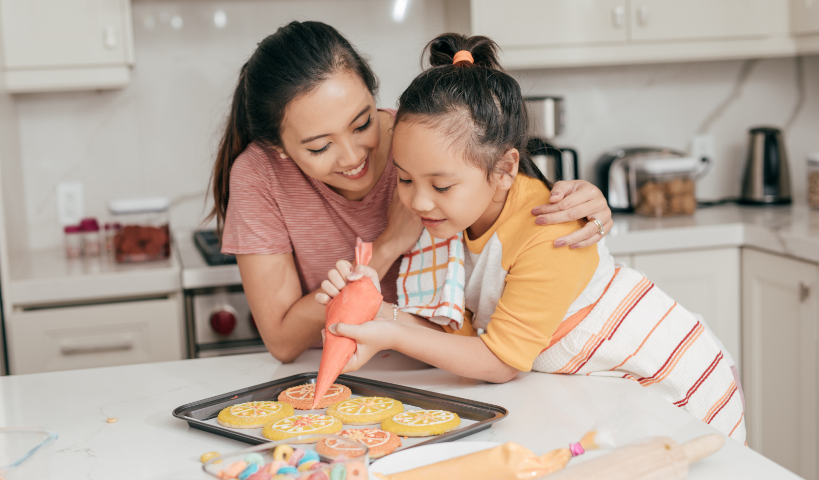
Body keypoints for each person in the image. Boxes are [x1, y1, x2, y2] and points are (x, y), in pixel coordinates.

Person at [317, 33, 746, 443]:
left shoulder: (550, 229)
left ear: (504, 170)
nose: (418, 201)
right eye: (406, 179)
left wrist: (389, 329)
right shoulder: (452, 221)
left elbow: (499, 362)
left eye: (441, 186)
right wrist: (375, 308)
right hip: (606, 391)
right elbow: (466, 346)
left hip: (675, 386)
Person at [210, 21, 614, 363]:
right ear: (278, 147)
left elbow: (508, 203)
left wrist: (583, 205)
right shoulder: (258, 176)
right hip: (352, 371)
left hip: (453, 368)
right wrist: (385, 247)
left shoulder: (419, 139)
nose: (353, 157)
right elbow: (282, 342)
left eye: (363, 122)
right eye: (320, 147)